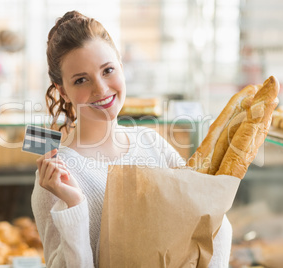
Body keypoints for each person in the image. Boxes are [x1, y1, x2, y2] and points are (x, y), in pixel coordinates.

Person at [31, 10, 232, 268]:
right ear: (63, 91)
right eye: (81, 80)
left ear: (122, 68)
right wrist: (74, 205)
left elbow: (210, 226)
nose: (101, 89)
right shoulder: (56, 177)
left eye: (108, 70)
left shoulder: (152, 143)